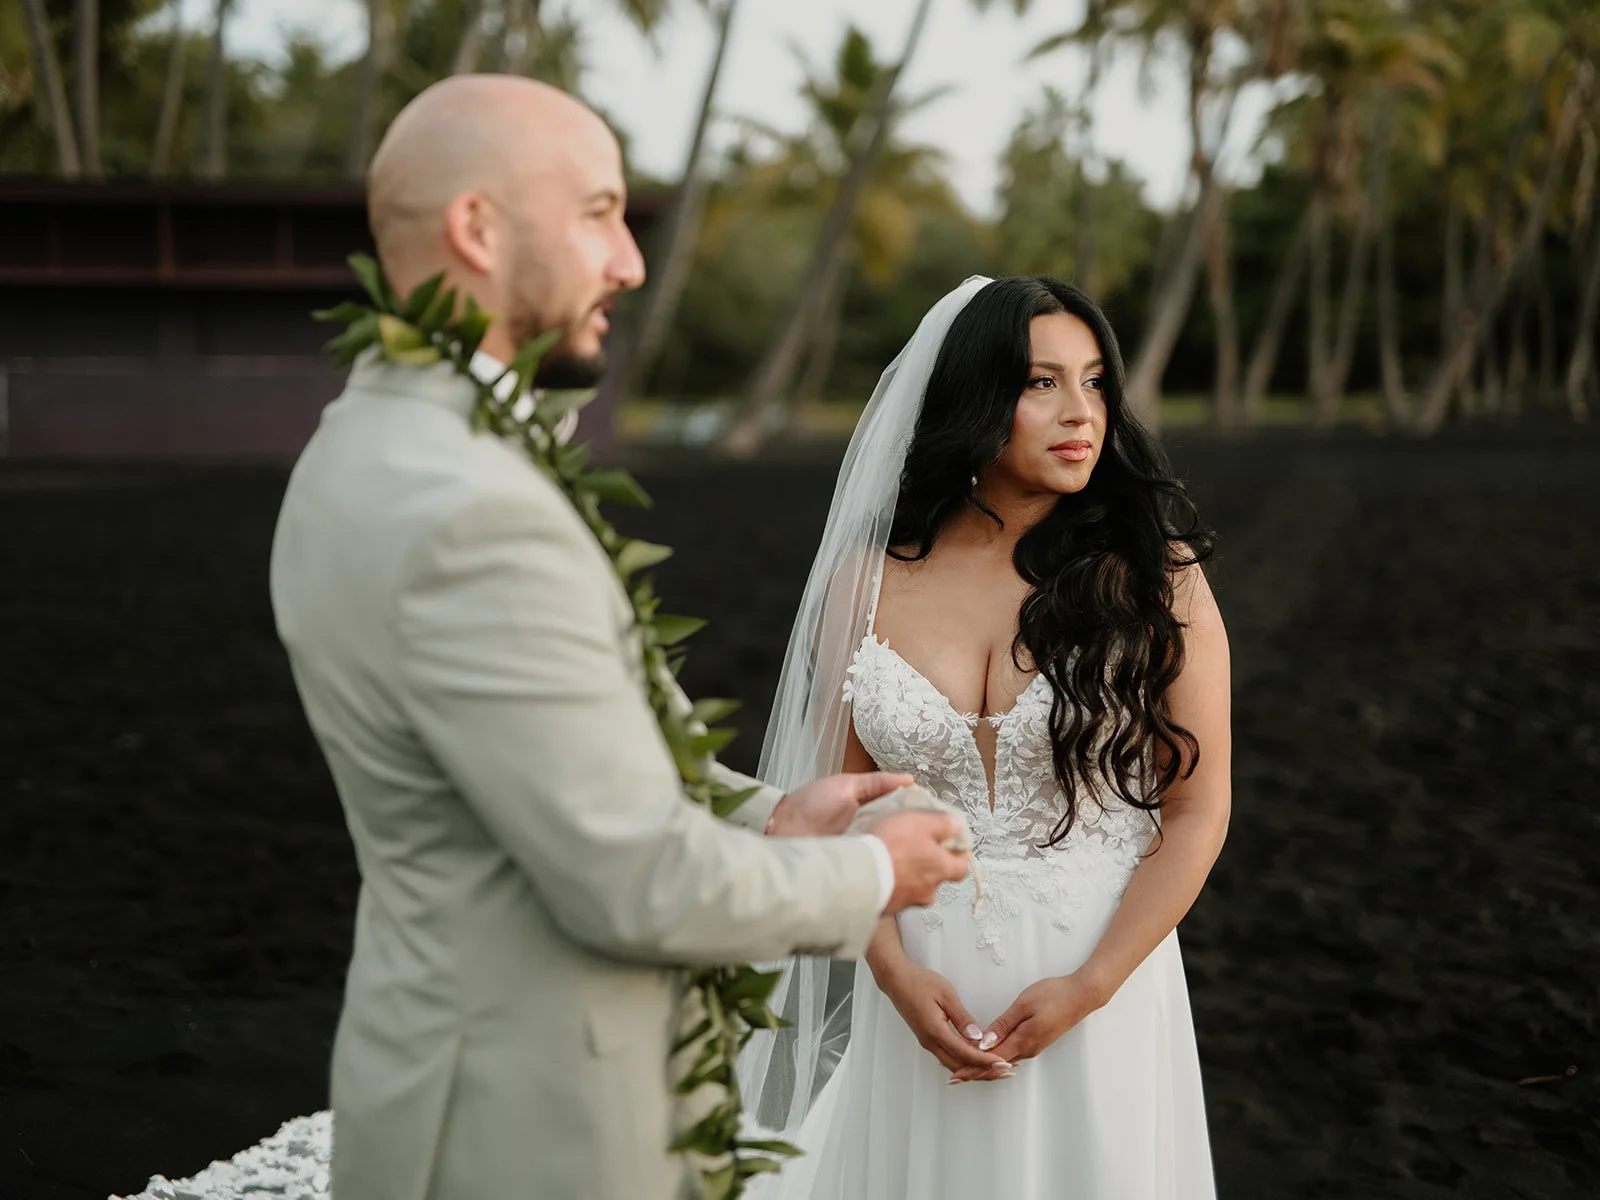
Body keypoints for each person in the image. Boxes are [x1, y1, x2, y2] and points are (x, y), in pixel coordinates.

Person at [116, 77, 973, 1200]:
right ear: (477, 229)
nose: (629, 261)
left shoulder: (365, 447)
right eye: (597, 213)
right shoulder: (473, 508)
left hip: (446, 1077)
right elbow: (635, 887)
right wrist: (864, 871)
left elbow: (546, 768)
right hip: (533, 1131)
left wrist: (767, 811)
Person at [737, 275, 1230, 1199]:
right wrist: (890, 976)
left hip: (1103, 979)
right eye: (1041, 383)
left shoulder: (1158, 578)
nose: (1080, 413)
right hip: (924, 991)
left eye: (1094, 383)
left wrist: (1090, 988)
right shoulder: (867, 579)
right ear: (973, 399)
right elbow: (838, 809)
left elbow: (1198, 808)